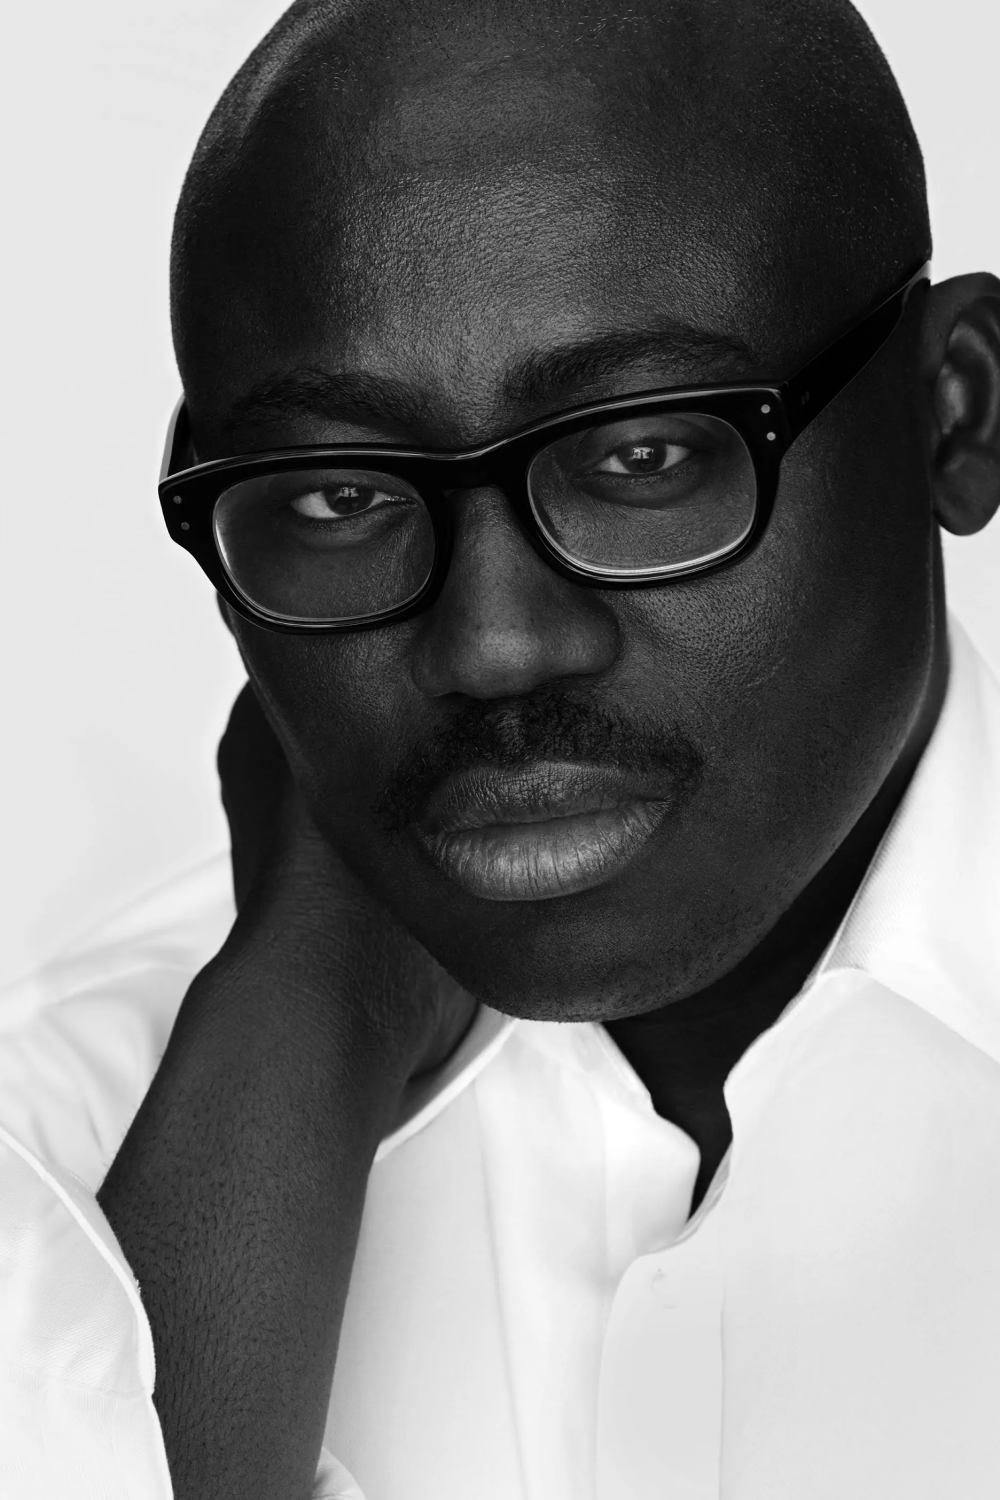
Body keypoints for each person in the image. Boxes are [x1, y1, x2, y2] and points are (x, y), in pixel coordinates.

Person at [3, 0, 1000, 1494]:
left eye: (643, 453)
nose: (493, 646)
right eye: (339, 494)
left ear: (956, 413)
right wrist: (309, 1021)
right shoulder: (49, 1154)